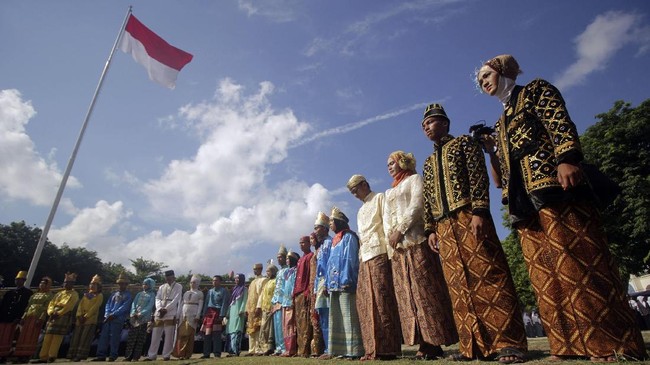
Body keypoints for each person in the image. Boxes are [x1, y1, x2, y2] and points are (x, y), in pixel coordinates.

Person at [476, 54, 646, 362]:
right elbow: (501, 175)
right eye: (480, 81)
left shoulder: (536, 90)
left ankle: (610, 344)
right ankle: (565, 344)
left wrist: (567, 158)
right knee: (545, 273)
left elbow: (558, 121)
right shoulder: (501, 122)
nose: (483, 82)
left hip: (555, 186)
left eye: (486, 75)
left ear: (502, 71)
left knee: (577, 261)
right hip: (524, 201)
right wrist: (491, 152)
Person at [420, 104, 528, 362]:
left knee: (488, 273)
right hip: (443, 227)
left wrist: (480, 211)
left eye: (431, 122)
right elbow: (427, 199)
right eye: (424, 125)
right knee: (457, 284)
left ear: (445, 123)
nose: (426, 127)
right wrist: (430, 230)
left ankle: (508, 343)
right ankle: (473, 347)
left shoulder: (464, 144)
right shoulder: (427, 163)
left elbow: (479, 176)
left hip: (469, 216)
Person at [383, 151, 458, 360]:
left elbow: (417, 205)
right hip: (398, 249)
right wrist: (391, 236)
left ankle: (434, 341)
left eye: (393, 163)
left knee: (425, 292)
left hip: (416, 241)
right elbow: (387, 217)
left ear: (403, 162)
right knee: (407, 296)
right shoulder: (389, 192)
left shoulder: (414, 179)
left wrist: (401, 229)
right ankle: (422, 341)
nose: (389, 167)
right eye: (387, 164)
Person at [346, 175, 401, 361]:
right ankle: (371, 348)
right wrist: (361, 256)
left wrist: (390, 253)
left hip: (379, 252)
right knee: (366, 301)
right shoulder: (360, 211)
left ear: (364, 184)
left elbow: (387, 224)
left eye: (356, 190)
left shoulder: (379, 198)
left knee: (381, 299)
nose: (355, 194)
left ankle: (387, 348)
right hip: (365, 256)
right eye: (352, 192)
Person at [319, 207, 364, 360]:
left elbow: (349, 259)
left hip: (345, 283)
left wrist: (347, 279)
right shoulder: (334, 241)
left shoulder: (349, 237)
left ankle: (353, 350)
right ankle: (339, 349)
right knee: (336, 317)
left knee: (348, 315)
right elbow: (330, 263)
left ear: (339, 222)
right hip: (333, 285)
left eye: (332, 221)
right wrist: (326, 284)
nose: (330, 224)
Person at [33, 272, 80, 364]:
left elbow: (69, 306)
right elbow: (51, 303)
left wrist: (58, 313)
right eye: (65, 282)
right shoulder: (59, 294)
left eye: (69, 283)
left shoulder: (74, 294)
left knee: (57, 337)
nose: (66, 284)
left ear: (72, 284)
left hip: (63, 316)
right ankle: (43, 356)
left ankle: (52, 356)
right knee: (48, 336)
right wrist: (50, 312)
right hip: (52, 315)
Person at [93, 272, 132, 362]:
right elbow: (108, 304)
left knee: (115, 337)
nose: (121, 285)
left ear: (126, 284)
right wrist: (107, 314)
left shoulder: (128, 295)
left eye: (123, 284)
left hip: (118, 319)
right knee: (104, 336)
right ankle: (101, 355)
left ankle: (113, 355)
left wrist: (114, 314)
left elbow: (124, 307)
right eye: (120, 284)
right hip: (108, 318)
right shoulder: (114, 294)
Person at [145, 270, 182, 361]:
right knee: (155, 334)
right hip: (160, 311)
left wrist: (167, 309)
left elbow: (177, 299)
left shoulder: (178, 286)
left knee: (169, 335)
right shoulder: (162, 287)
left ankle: (166, 355)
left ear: (173, 277)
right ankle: (152, 355)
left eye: (170, 278)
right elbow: (157, 298)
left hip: (170, 311)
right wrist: (159, 308)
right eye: (167, 278)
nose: (168, 279)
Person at [14, 277, 53, 363]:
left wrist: (41, 318)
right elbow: (28, 306)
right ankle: (19, 354)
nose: (41, 285)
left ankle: (27, 355)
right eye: (41, 283)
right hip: (29, 316)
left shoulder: (49, 295)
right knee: (23, 335)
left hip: (37, 317)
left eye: (44, 283)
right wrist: (23, 317)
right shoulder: (34, 295)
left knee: (32, 336)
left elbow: (46, 308)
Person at [68, 275, 103, 362]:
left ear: (98, 286)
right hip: (80, 319)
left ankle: (80, 355)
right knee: (76, 336)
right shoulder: (86, 295)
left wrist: (86, 316)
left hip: (90, 319)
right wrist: (79, 315)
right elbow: (80, 305)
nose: (92, 286)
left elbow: (95, 307)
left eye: (95, 284)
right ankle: (72, 354)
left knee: (85, 337)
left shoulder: (99, 295)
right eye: (91, 284)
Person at [0, 271, 33, 363]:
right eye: (17, 280)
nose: (18, 281)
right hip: (5, 318)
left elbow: (25, 307)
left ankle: (10, 355)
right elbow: (3, 305)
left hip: (16, 319)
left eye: (21, 280)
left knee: (13, 338)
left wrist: (19, 317)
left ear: (24, 281)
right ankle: (2, 356)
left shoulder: (28, 293)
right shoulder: (9, 293)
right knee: (3, 338)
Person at [312, 212, 332, 356]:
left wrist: (327, 284)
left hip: (327, 283)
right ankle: (326, 348)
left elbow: (331, 265)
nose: (315, 230)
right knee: (322, 315)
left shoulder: (330, 243)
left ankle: (330, 348)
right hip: (319, 284)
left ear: (325, 228)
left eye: (317, 227)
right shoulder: (322, 245)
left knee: (328, 315)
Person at [124, 278, 156, 362]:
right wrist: (134, 312)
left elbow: (150, 306)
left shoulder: (152, 295)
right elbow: (134, 303)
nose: (144, 286)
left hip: (143, 319)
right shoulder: (139, 294)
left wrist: (141, 314)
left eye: (146, 284)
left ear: (150, 285)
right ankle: (128, 356)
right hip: (134, 318)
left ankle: (136, 357)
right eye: (143, 284)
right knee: (131, 337)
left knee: (140, 338)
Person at [292, 236, 314, 358]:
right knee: (298, 323)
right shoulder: (300, 260)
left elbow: (311, 275)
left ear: (308, 243)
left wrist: (307, 291)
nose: (301, 245)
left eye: (303, 243)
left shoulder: (310, 256)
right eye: (300, 243)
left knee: (306, 321)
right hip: (297, 293)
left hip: (305, 292)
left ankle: (305, 350)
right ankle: (300, 349)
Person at [173, 275, 204, 360]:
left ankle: (187, 353)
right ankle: (179, 353)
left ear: (197, 283)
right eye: (191, 282)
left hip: (193, 315)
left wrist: (198, 315)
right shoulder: (186, 293)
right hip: (183, 315)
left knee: (189, 335)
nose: (192, 284)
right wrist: (178, 314)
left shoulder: (199, 293)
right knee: (180, 335)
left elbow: (200, 305)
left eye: (194, 282)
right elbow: (182, 304)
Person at [200, 275, 229, 359]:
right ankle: (206, 353)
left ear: (220, 282)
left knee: (217, 334)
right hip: (209, 312)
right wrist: (204, 314)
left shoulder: (224, 291)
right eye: (213, 280)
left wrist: (222, 314)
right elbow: (206, 303)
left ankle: (217, 353)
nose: (214, 282)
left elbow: (224, 303)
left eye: (216, 280)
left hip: (218, 312)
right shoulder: (210, 291)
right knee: (207, 334)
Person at [307, 232, 325, 357]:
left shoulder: (321, 251)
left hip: (320, 285)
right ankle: (316, 349)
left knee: (320, 316)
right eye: (311, 239)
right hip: (312, 287)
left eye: (313, 238)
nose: (312, 241)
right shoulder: (314, 254)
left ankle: (321, 347)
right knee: (314, 317)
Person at [244, 264, 267, 356]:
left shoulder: (263, 280)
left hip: (258, 307)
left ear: (261, 269)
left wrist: (259, 306)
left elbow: (262, 294)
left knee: (258, 328)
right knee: (250, 328)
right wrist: (246, 308)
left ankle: (258, 348)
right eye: (254, 269)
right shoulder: (252, 282)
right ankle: (251, 349)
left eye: (256, 269)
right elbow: (249, 296)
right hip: (251, 308)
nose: (255, 271)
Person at [279, 251, 299, 357]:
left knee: (291, 325)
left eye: (289, 258)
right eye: (286, 258)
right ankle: (286, 349)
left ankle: (292, 349)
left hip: (291, 300)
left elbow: (295, 284)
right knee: (285, 326)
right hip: (284, 302)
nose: (287, 260)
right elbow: (282, 287)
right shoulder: (286, 272)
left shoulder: (296, 270)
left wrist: (293, 297)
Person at [270, 245, 288, 356]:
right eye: (278, 257)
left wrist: (282, 300)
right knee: (276, 326)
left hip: (282, 301)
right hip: (275, 300)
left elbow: (286, 287)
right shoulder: (278, 272)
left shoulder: (287, 270)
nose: (279, 259)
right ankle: (278, 347)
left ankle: (284, 347)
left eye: (281, 257)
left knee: (282, 326)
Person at [257, 264, 278, 356]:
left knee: (270, 329)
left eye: (268, 271)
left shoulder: (276, 281)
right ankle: (264, 347)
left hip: (272, 307)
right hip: (265, 308)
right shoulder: (267, 282)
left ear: (273, 271)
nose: (267, 273)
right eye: (266, 271)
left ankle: (270, 348)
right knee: (264, 328)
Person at [224, 273, 247, 356]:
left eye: (238, 278)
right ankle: (230, 350)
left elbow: (244, 300)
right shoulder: (234, 289)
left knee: (237, 331)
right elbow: (231, 302)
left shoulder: (244, 289)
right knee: (230, 331)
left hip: (238, 312)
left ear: (241, 279)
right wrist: (227, 313)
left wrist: (242, 310)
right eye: (235, 278)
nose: (236, 280)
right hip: (232, 313)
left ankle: (236, 350)